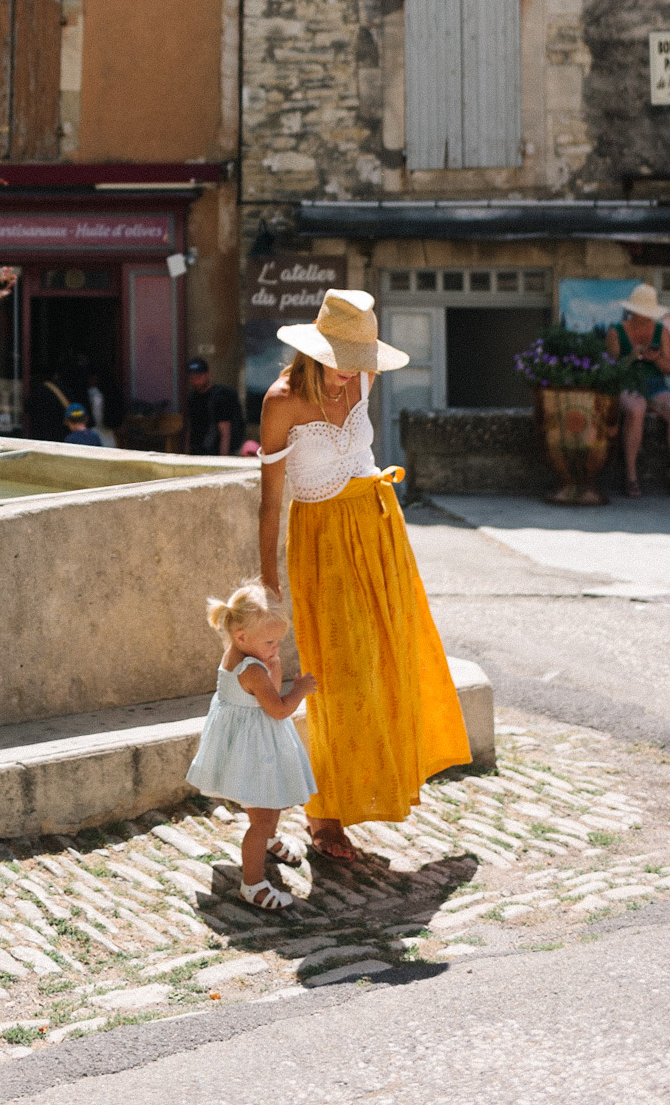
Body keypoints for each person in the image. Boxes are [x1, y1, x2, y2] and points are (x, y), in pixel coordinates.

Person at [259, 288, 469, 862]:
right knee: (339, 676)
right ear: (313, 353)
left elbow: (360, 459)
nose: (349, 379)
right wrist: (267, 581)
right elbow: (270, 502)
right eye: (340, 365)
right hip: (323, 544)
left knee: (393, 658)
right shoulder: (280, 402)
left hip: (379, 533)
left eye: (358, 366)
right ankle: (325, 815)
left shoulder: (363, 381)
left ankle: (389, 781)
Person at [185, 582, 317, 912]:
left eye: (278, 642)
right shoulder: (253, 670)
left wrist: (273, 665)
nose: (276, 648)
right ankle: (253, 884)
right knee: (261, 816)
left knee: (270, 803)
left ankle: (269, 840)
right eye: (270, 642)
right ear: (242, 637)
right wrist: (299, 688)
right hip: (257, 749)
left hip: (247, 744)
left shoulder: (236, 654)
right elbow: (279, 708)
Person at [605, 284, 670, 499]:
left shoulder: (662, 332)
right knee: (636, 408)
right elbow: (609, 370)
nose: (645, 318)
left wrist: (656, 358)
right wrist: (631, 357)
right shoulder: (616, 332)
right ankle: (631, 476)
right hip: (628, 384)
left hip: (655, 386)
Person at [186, 357, 244, 457]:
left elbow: (225, 432)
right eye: (192, 378)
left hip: (214, 453)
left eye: (199, 377)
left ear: (207, 374)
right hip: (197, 453)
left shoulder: (219, 397)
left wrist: (222, 460)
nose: (195, 381)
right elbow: (190, 429)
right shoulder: (192, 398)